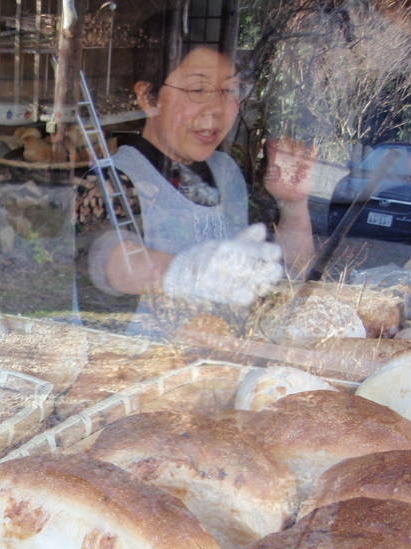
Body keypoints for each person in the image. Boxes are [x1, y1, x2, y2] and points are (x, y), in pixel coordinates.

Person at [83, 38, 316, 336]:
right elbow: (106, 259)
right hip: (147, 366)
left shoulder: (226, 171)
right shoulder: (112, 178)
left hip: (226, 358)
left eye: (230, 90)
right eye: (197, 90)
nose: (217, 108)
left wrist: (294, 206)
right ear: (148, 97)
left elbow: (285, 276)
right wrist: (185, 270)